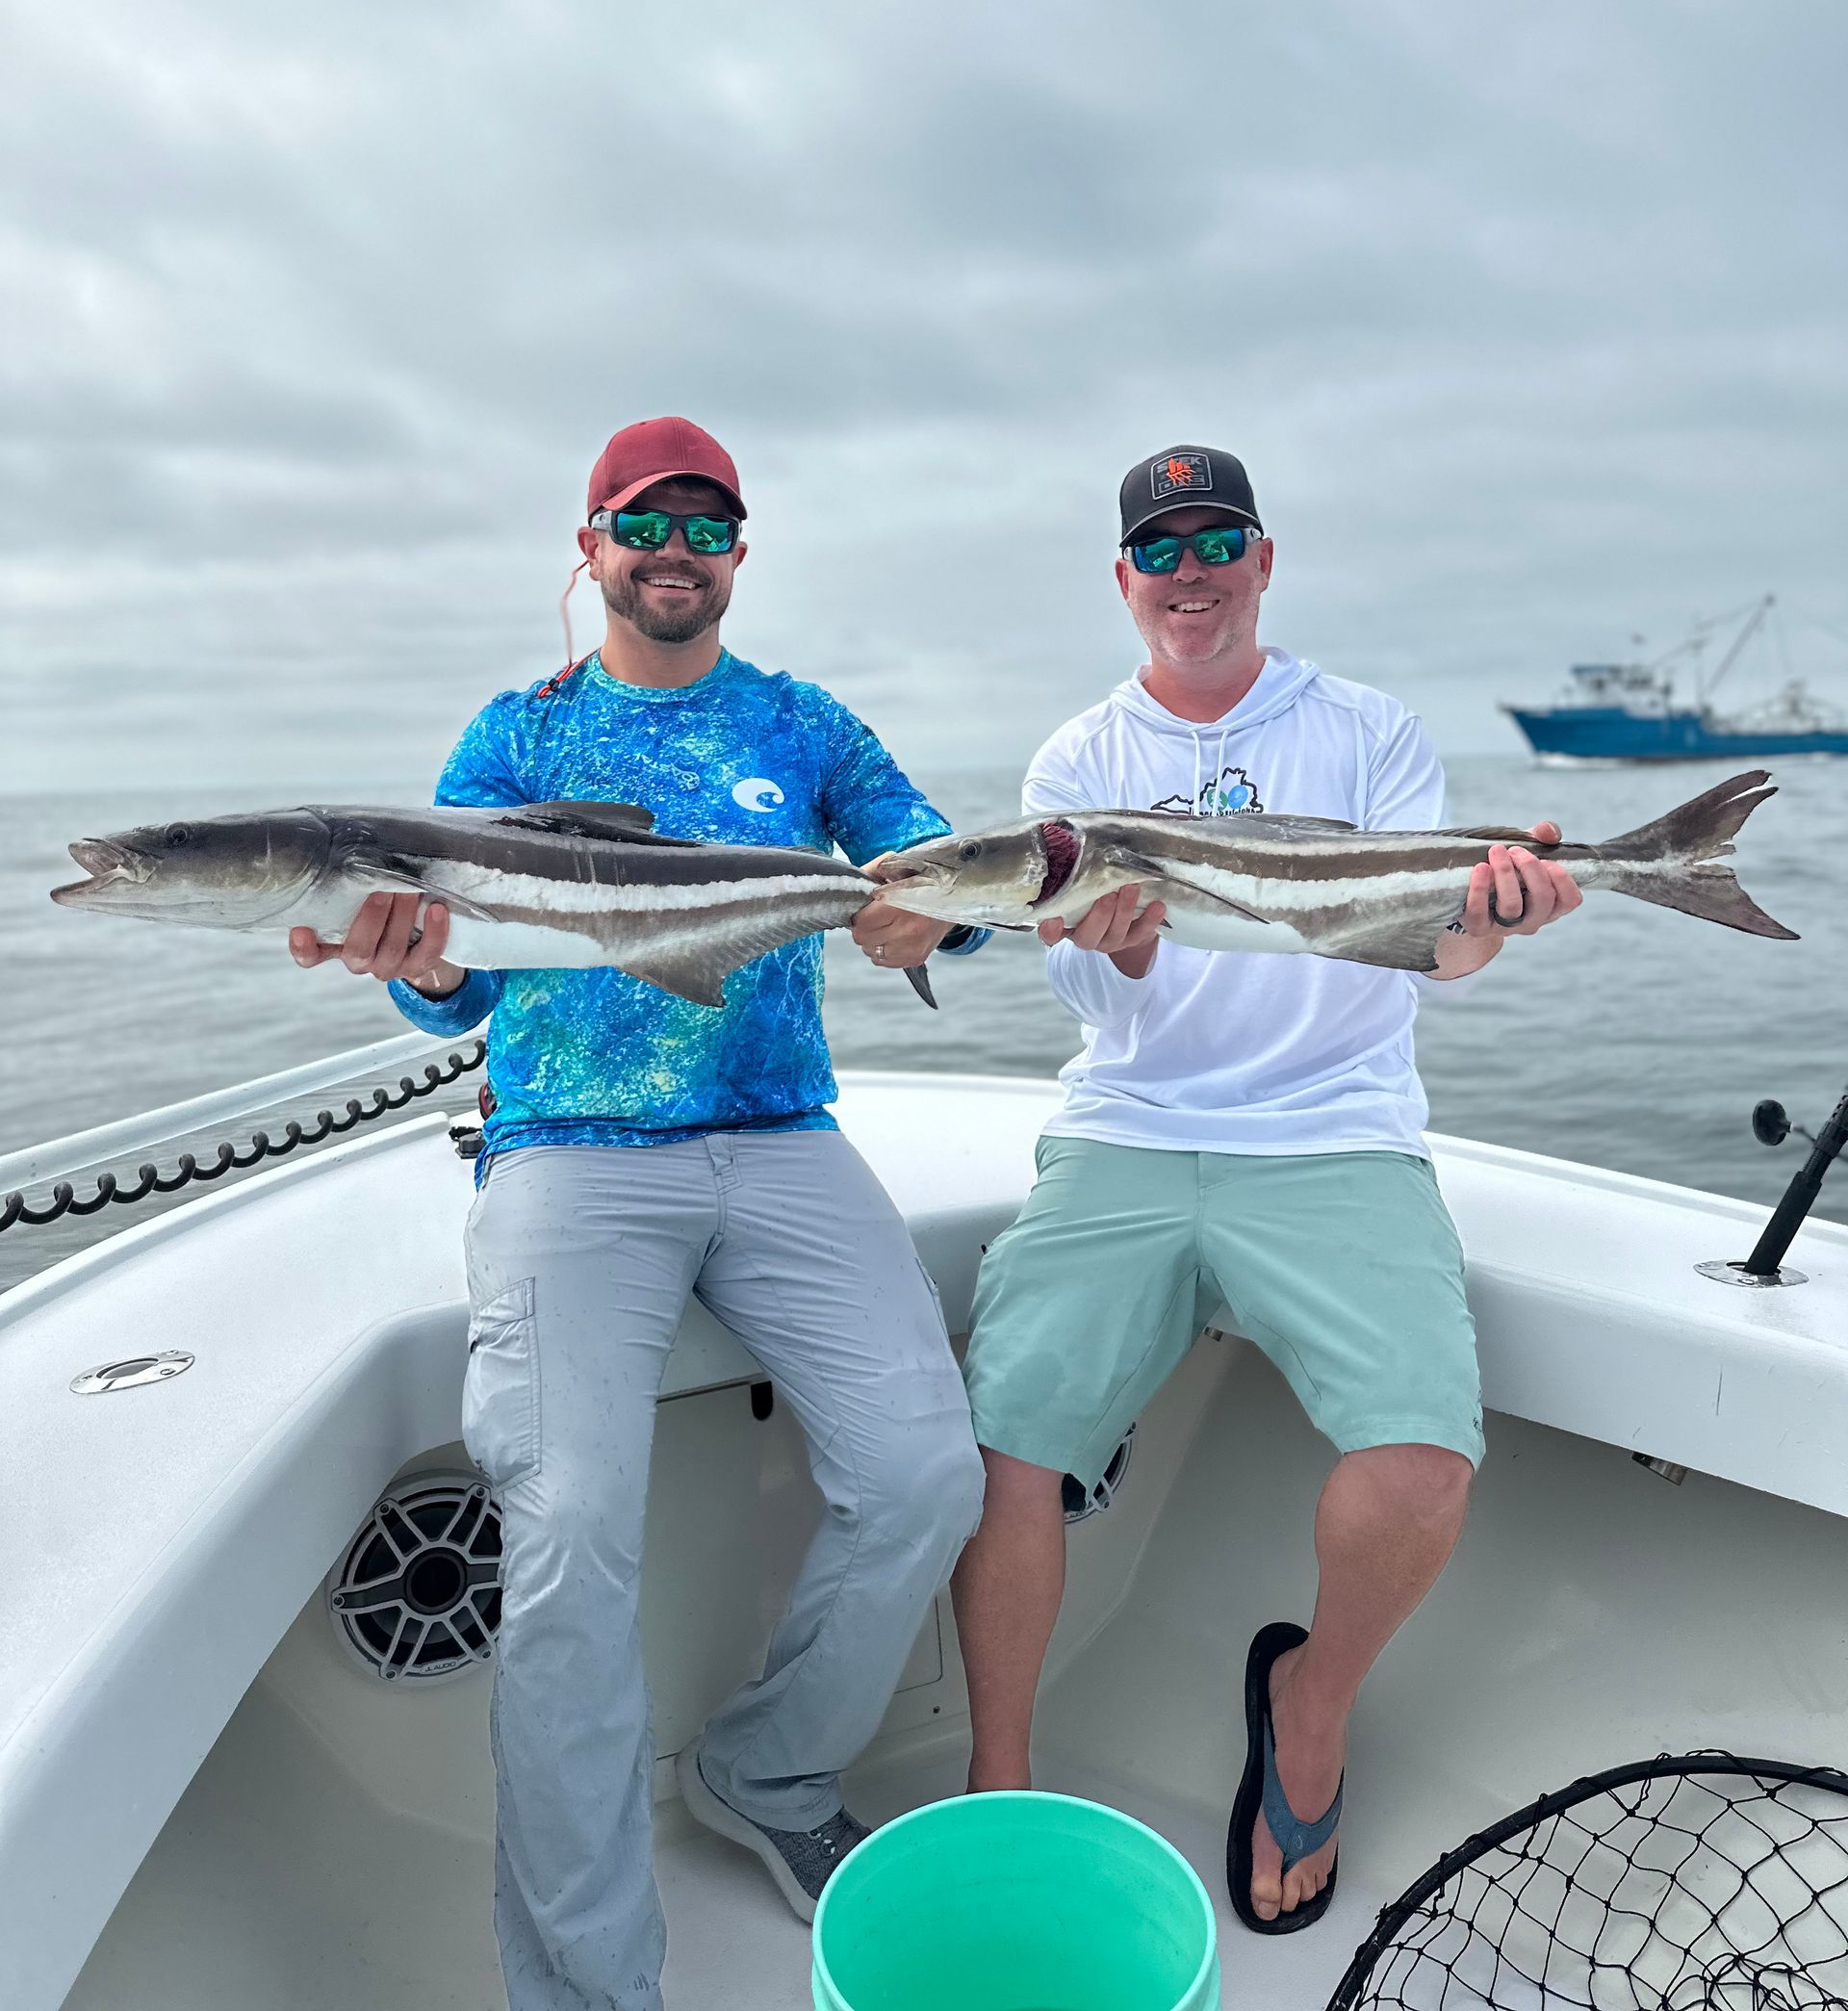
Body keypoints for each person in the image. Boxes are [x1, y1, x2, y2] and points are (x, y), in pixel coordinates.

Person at [291, 415, 988, 2011]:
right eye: (642, 522)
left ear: (739, 554)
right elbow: (448, 986)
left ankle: (769, 1771)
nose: (673, 548)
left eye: (706, 523)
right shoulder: (517, 737)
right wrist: (422, 957)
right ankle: (590, 1987)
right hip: (566, 1154)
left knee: (925, 1473)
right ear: (591, 546)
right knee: (569, 1537)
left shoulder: (808, 726)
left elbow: (947, 889)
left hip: (783, 1138)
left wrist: (936, 914)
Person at [948, 443, 1583, 1937]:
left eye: (1215, 540)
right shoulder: (1073, 768)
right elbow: (1101, 1016)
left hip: (1336, 1131)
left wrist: (1493, 924)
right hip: (1133, 1123)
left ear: (1264, 559)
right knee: (999, 1451)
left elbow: (1426, 947)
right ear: (1124, 583)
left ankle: (1309, 1707)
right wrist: (1113, 945)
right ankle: (995, 1785)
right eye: (1159, 552)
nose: (1190, 574)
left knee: (1420, 1469)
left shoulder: (1367, 733)